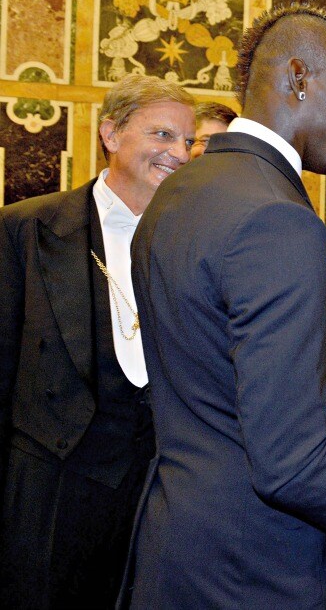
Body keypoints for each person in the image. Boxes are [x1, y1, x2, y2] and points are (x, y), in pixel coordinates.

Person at [125, 4, 326, 608]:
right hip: (258, 566)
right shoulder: (278, 220)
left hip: (176, 545)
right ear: (299, 78)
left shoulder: (178, 192)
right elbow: (291, 464)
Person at [0, 74, 194, 608]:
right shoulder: (26, 229)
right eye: (162, 135)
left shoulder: (193, 241)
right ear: (111, 133)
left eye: (186, 140)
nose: (179, 153)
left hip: (158, 486)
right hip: (54, 486)